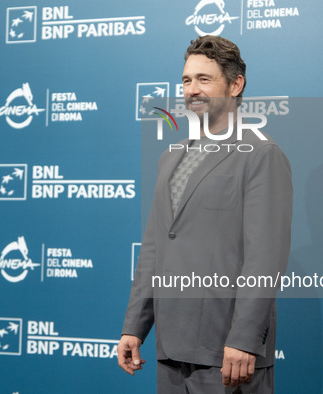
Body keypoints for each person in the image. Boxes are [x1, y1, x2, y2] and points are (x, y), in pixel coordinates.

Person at [118, 35, 293, 393]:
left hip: (226, 354)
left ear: (235, 85)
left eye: (204, 79)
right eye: (186, 80)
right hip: (171, 350)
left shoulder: (261, 154)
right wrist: (134, 327)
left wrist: (244, 338)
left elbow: (265, 257)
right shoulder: (171, 157)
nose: (192, 90)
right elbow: (154, 248)